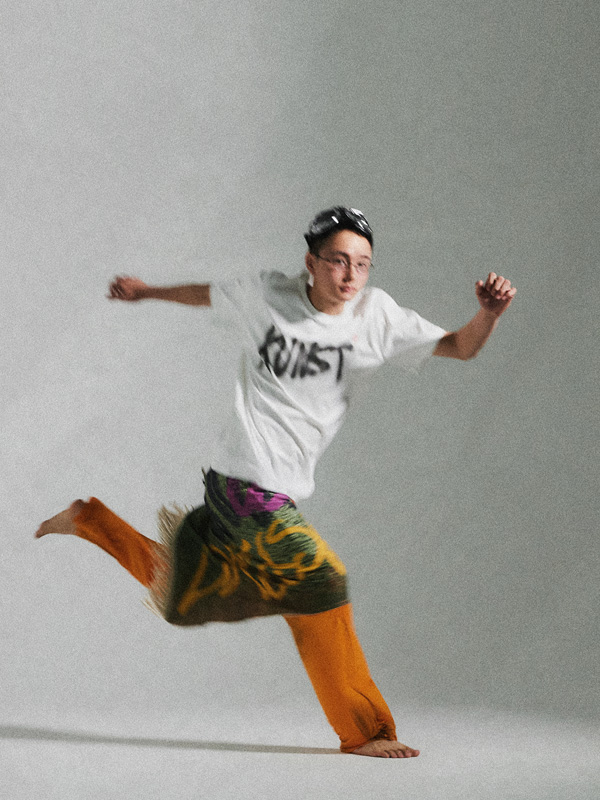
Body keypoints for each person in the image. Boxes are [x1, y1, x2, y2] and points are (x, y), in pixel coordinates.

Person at [35, 206, 516, 758]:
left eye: (362, 264)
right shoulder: (268, 296)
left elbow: (460, 346)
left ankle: (89, 520)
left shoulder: (377, 317)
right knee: (324, 581)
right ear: (311, 262)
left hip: (277, 493)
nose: (350, 275)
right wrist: (146, 292)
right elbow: (206, 294)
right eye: (338, 261)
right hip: (241, 483)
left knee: (186, 593)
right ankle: (362, 730)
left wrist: (487, 314)